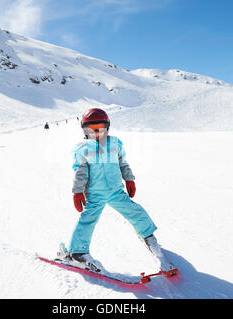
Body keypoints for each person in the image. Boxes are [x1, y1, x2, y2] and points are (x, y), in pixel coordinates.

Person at [64, 108, 173, 273]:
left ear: (107, 127)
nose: (96, 132)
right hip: (95, 194)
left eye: (100, 127)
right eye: (90, 129)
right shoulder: (83, 148)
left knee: (136, 211)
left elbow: (122, 162)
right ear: (84, 130)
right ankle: (77, 253)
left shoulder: (115, 143)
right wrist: (78, 191)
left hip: (116, 191)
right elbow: (80, 171)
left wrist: (129, 178)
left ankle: (148, 236)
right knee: (87, 221)